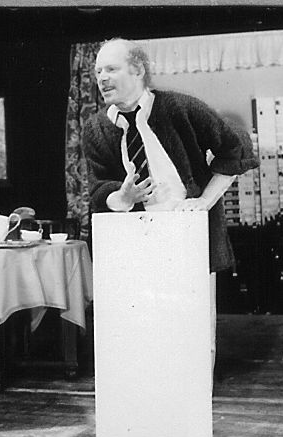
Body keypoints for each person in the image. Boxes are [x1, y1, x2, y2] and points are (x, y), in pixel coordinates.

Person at [83, 38, 259, 370]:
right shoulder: (96, 128)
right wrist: (122, 198)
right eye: (97, 71)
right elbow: (97, 188)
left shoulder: (179, 108)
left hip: (186, 234)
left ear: (137, 70)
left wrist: (204, 201)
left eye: (111, 69)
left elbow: (235, 148)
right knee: (147, 330)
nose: (102, 78)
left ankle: (194, 392)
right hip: (136, 242)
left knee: (193, 329)